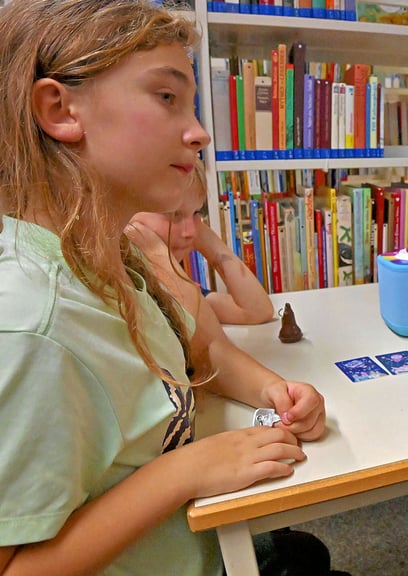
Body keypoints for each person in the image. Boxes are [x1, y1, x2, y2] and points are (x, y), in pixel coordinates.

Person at [0, 2, 330, 574]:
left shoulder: (114, 255)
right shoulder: (33, 324)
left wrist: (274, 390)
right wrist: (185, 471)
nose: (200, 131)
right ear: (59, 108)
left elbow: (195, 356)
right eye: (166, 97)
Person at [131, 158, 275, 325]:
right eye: (174, 214)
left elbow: (257, 311)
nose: (190, 231)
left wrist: (207, 239)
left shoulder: (179, 289)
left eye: (196, 212)